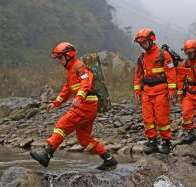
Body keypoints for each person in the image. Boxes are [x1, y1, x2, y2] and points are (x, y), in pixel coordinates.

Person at [30, 42, 117, 170]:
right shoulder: (71, 71)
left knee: (61, 125)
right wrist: (56, 103)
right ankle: (109, 159)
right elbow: (67, 89)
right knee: (84, 139)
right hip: (87, 106)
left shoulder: (79, 67)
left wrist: (79, 96)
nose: (59, 61)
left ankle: (47, 154)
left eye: (60, 58)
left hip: (86, 106)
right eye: (58, 58)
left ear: (69, 55)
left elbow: (86, 82)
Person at [133, 28, 177, 154]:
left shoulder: (163, 54)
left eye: (144, 43)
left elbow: (171, 73)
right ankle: (152, 142)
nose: (142, 45)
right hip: (147, 92)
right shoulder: (142, 57)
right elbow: (138, 75)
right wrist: (137, 90)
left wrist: (172, 90)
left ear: (151, 40)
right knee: (147, 119)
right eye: (141, 44)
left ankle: (166, 142)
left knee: (162, 119)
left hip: (161, 91)